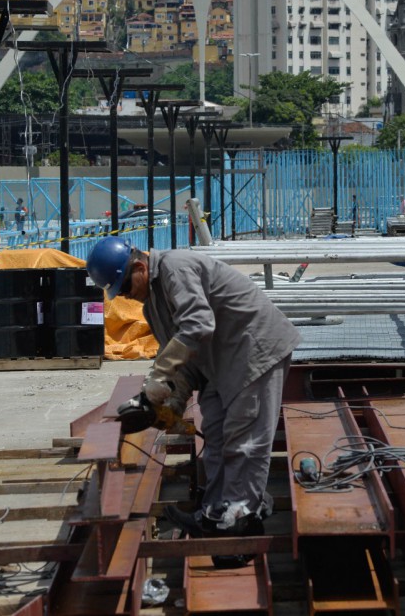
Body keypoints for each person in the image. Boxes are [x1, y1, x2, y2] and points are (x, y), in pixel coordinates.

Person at [86, 237, 300, 568]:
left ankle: (239, 521)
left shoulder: (175, 267)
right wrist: (171, 402)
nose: (126, 295)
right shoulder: (151, 305)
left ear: (140, 266)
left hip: (253, 350)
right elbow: (183, 358)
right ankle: (216, 512)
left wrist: (156, 379)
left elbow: (198, 324)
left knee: (244, 440)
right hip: (220, 363)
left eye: (126, 286)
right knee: (214, 434)